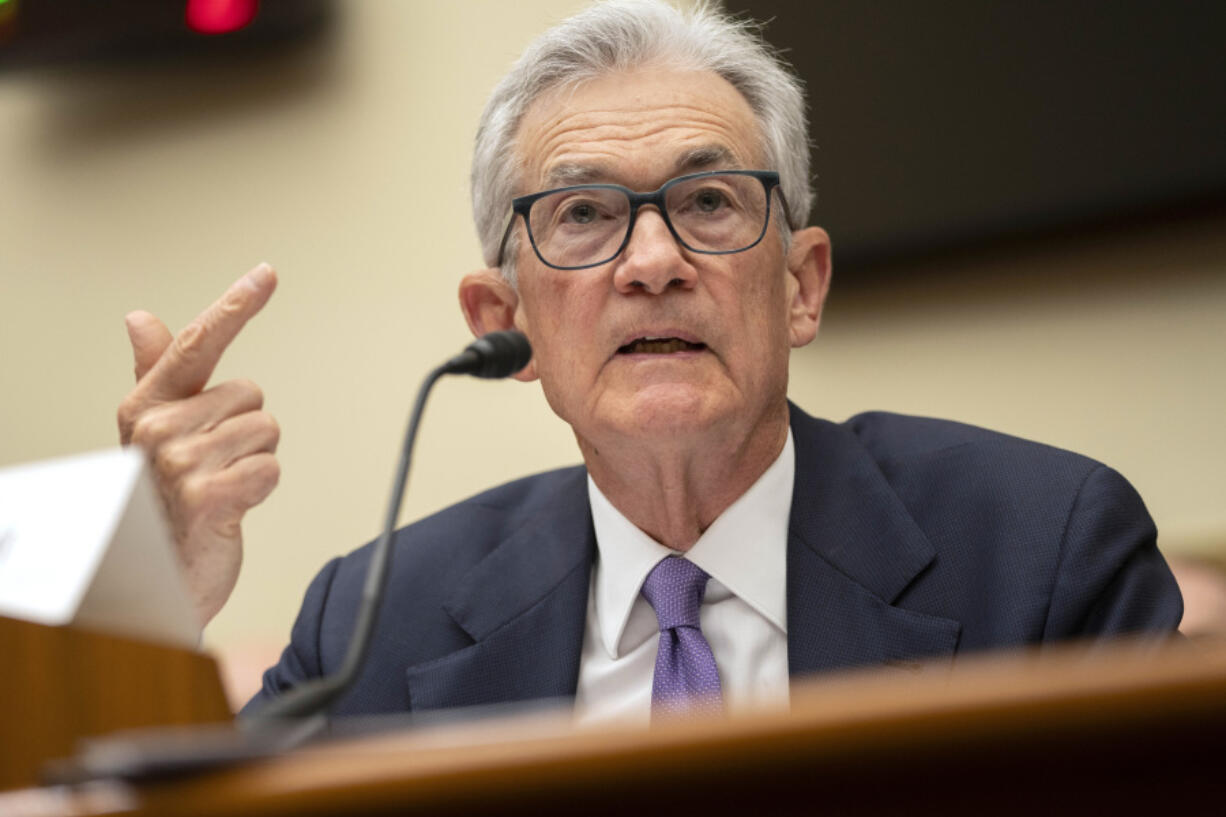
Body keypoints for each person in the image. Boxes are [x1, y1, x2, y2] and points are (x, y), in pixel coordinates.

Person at [116, 0, 1182, 724]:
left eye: (708, 201)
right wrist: (152, 596)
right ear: (504, 317)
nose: (653, 262)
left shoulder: (1041, 553)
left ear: (800, 286)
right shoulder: (375, 620)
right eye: (582, 214)